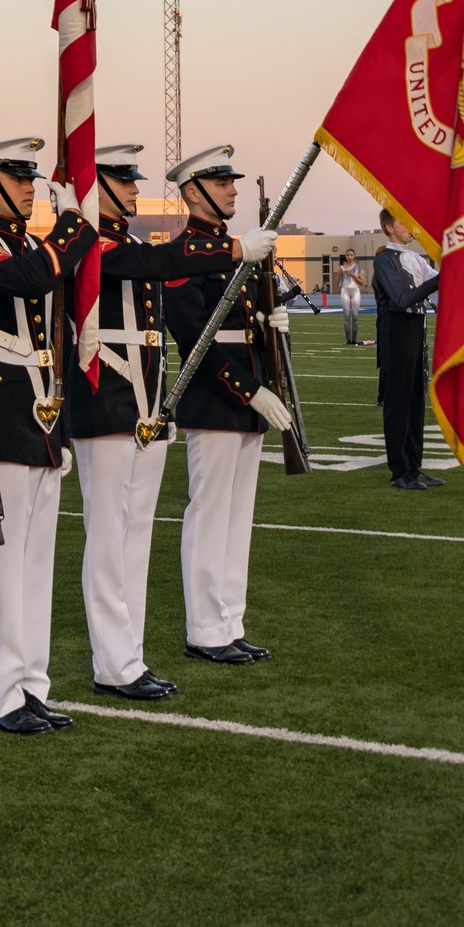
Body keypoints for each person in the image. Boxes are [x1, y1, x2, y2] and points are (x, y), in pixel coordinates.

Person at [71, 143, 278, 698]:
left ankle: (129, 659)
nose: (137, 190)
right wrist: (234, 249)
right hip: (111, 401)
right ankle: (117, 661)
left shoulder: (129, 243)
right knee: (112, 536)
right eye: (123, 180)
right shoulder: (92, 246)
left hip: (144, 403)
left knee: (134, 535)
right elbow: (163, 271)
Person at [0, 136, 95, 736]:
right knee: (2, 565)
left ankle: (28, 683)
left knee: (37, 562)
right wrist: (72, 227)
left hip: (41, 416)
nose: (28, 187)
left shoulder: (24, 240)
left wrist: (60, 424)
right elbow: (24, 280)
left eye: (30, 177)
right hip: (5, 414)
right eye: (16, 177)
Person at [163, 145, 291, 665]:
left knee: (239, 519)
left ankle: (229, 621)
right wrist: (250, 389)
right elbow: (197, 338)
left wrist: (269, 324)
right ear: (194, 193)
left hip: (246, 399)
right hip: (216, 398)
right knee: (211, 515)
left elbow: (244, 321)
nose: (233, 190)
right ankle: (203, 629)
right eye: (222, 184)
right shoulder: (185, 255)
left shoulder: (239, 250)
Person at [372, 210, 442, 490]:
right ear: (390, 228)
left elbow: (440, 282)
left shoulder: (415, 258)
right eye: (404, 222)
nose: (411, 227)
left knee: (415, 402)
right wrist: (436, 281)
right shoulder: (384, 260)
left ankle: (414, 466)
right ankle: (399, 470)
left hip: (416, 331)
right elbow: (401, 299)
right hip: (396, 333)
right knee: (398, 404)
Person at [338, 248, 365, 345]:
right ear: (345, 256)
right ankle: (348, 339)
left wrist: (353, 275)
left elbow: (362, 283)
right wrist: (341, 275)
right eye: (348, 255)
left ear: (354, 256)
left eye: (351, 255)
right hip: (345, 290)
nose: (349, 257)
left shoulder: (358, 268)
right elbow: (338, 283)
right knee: (346, 316)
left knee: (355, 316)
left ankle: (354, 338)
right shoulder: (341, 268)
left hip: (355, 291)